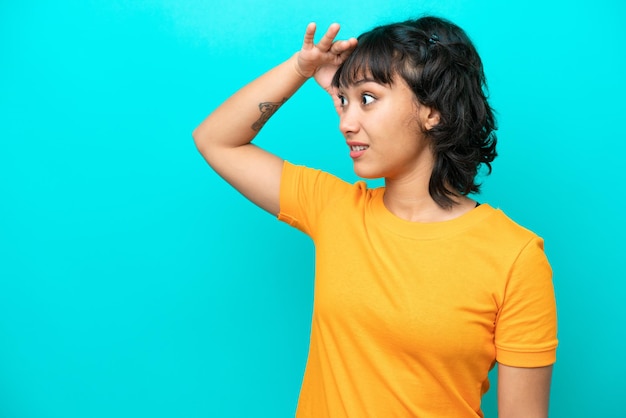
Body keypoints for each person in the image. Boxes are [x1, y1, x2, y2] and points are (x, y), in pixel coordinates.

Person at [193, 15, 558, 418]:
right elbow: (216, 140)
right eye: (343, 101)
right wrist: (302, 69)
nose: (346, 123)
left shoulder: (516, 256)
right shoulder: (333, 208)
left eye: (367, 98)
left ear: (432, 110)